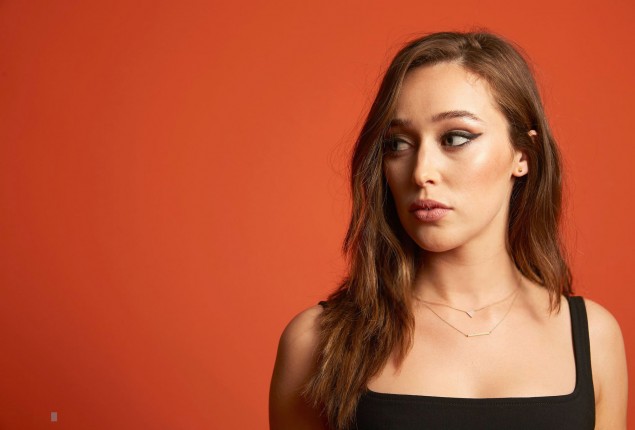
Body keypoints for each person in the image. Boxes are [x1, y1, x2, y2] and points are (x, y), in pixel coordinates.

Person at [269, 31, 628, 430]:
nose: (421, 171)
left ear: (523, 154)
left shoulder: (593, 339)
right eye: (398, 144)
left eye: (455, 138)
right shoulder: (315, 344)